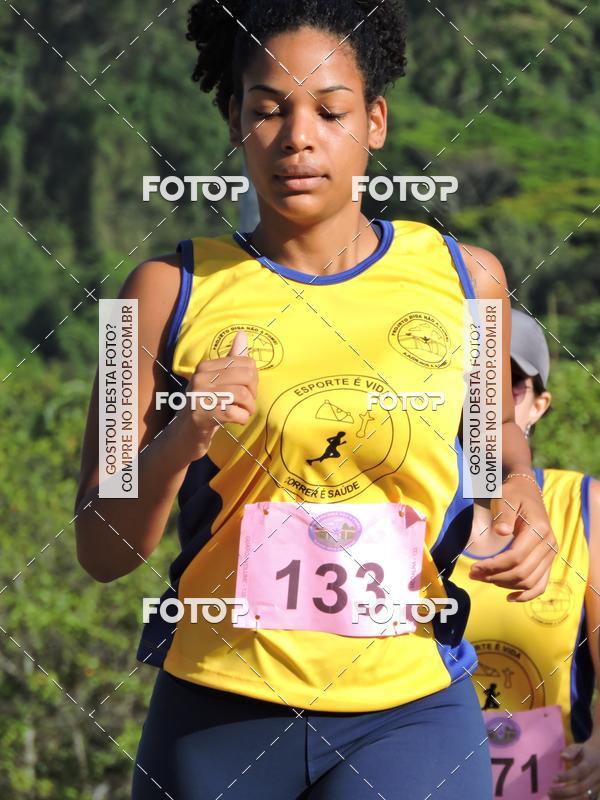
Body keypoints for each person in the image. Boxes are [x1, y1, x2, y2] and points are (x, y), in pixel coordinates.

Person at [73, 2, 557, 797]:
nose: (298, 136)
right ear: (234, 121)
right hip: (218, 708)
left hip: (412, 708)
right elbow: (101, 546)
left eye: (329, 111)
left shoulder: (473, 283)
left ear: (374, 121)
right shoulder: (153, 299)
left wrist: (522, 488)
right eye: (267, 110)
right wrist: (182, 436)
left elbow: (493, 436)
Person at [453, 309, 600, 800]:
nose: (483, 400)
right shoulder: (403, 505)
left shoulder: (583, 504)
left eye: (508, 384)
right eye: (468, 379)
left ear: (538, 405)